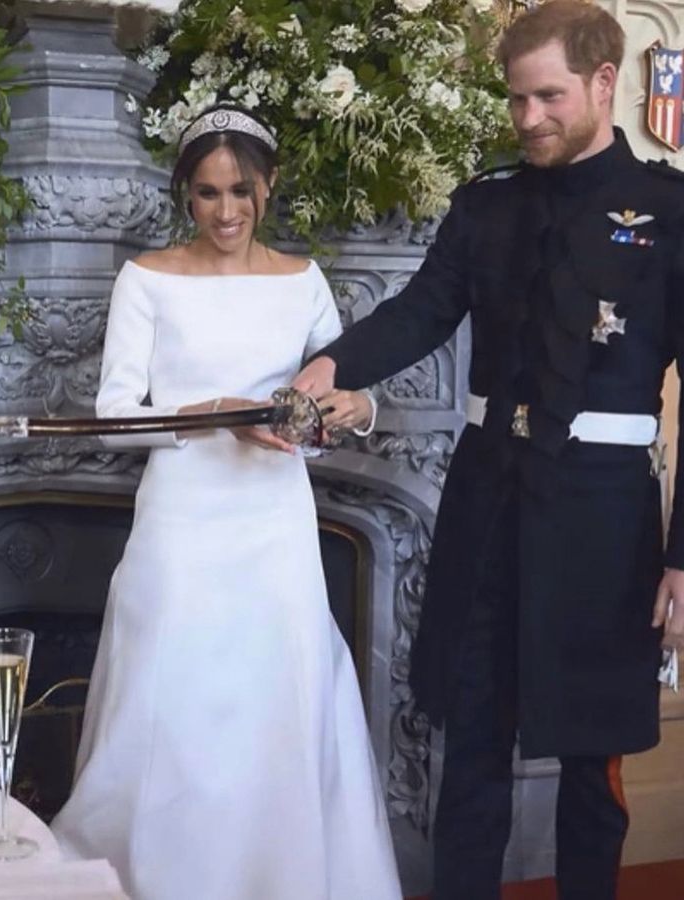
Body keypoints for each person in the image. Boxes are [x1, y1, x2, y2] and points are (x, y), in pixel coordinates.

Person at [294, 2, 684, 898]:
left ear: (601, 83)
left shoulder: (669, 212)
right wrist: (329, 364)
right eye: (516, 101)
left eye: (548, 97)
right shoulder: (487, 205)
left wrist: (682, 558)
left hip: (604, 514)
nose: (529, 118)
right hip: (487, 497)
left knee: (592, 762)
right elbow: (424, 309)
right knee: (468, 738)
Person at [51, 104, 401, 900]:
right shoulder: (146, 280)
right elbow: (111, 420)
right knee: (170, 699)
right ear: (186, 195)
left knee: (275, 699)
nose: (227, 212)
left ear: (269, 186)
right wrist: (202, 414)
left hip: (274, 525)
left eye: (241, 190)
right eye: (207, 194)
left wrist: (357, 412)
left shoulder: (303, 282)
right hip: (180, 524)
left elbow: (340, 397)